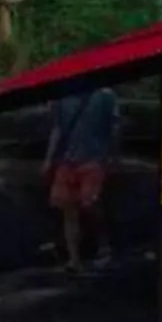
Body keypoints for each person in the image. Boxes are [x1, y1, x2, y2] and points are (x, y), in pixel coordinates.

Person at [45, 84, 119, 271]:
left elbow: (114, 126)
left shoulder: (105, 96)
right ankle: (74, 259)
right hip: (67, 160)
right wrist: (49, 158)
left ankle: (104, 246)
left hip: (93, 158)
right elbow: (58, 129)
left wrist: (112, 154)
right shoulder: (62, 98)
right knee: (67, 209)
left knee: (90, 204)